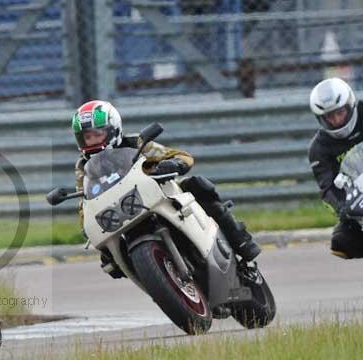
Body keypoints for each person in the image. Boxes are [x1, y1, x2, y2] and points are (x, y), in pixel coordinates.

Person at [71, 100, 261, 277]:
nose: (93, 140)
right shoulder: (83, 166)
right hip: (122, 210)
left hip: (156, 193)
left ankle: (240, 241)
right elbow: (84, 203)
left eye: (98, 133)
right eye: (87, 137)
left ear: (113, 128)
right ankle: (153, 277)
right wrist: (88, 228)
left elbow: (181, 156)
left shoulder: (136, 143)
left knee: (197, 184)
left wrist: (175, 164)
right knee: (109, 260)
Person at [308, 77, 363, 259]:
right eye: (329, 117)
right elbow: (327, 189)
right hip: (358, 201)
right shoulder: (319, 148)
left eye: (340, 112)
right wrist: (345, 209)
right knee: (341, 240)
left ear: (350, 105)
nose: (337, 120)